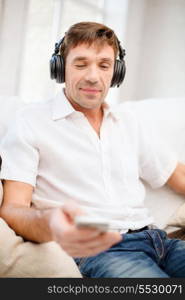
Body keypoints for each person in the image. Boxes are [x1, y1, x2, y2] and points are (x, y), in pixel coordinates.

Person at [0, 21, 185, 278]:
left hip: (159, 240)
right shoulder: (30, 121)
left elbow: (178, 176)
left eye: (104, 65)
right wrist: (49, 223)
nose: (93, 76)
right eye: (80, 64)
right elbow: (12, 207)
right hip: (100, 249)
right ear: (61, 68)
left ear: (116, 72)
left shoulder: (128, 122)